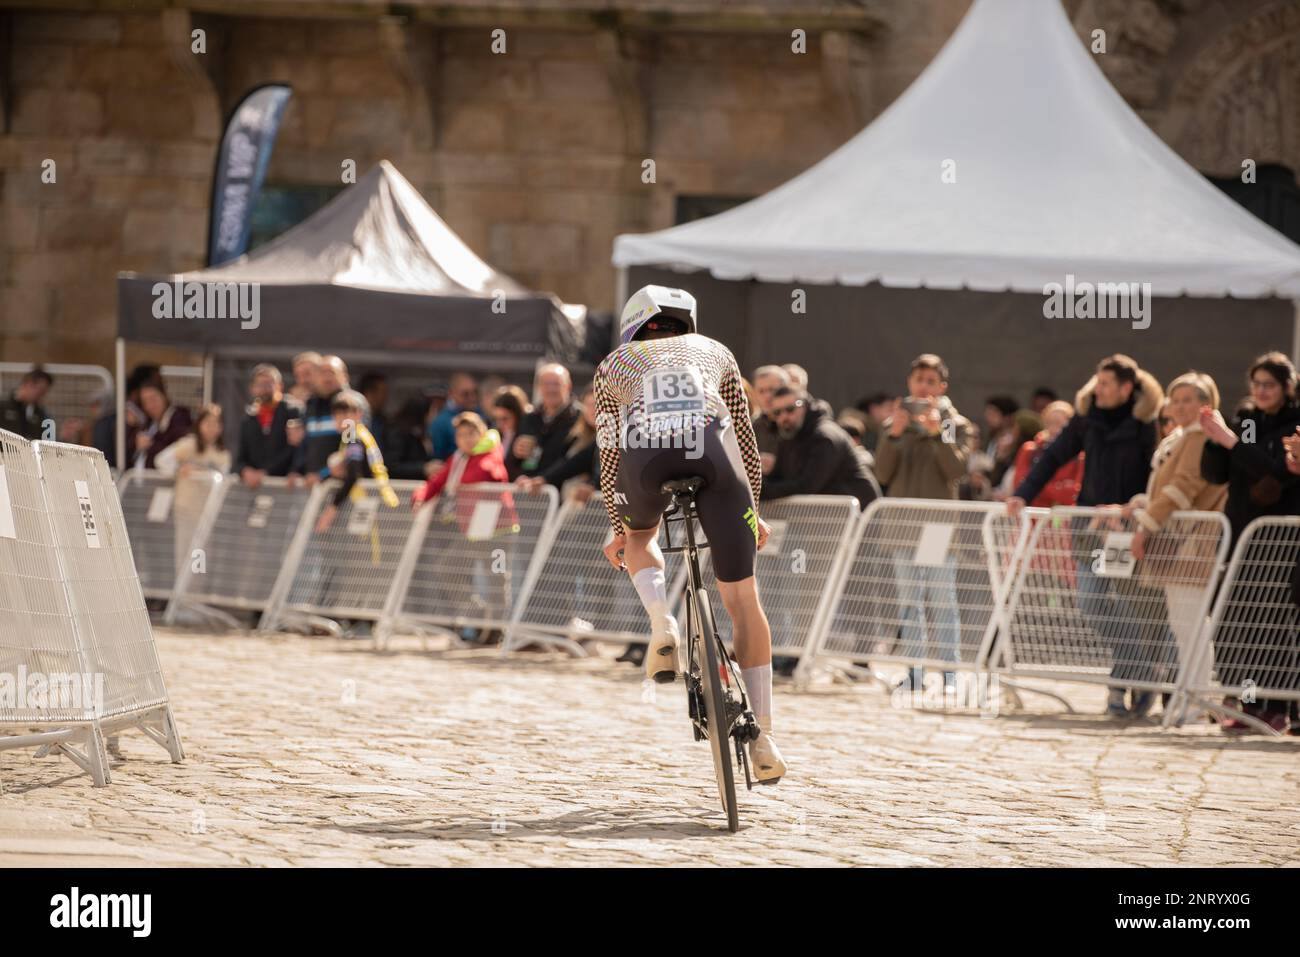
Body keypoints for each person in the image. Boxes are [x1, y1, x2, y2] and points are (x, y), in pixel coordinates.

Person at [593, 284, 786, 784]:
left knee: (641, 538)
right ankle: (764, 735)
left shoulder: (615, 362)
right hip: (714, 455)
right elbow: (745, 442)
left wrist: (620, 528)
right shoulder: (716, 351)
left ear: (634, 324)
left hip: (645, 455)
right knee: (744, 600)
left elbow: (609, 453)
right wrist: (753, 511)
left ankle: (663, 623)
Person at [1008, 354, 1165, 718]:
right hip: (1088, 525)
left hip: (1127, 528)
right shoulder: (1087, 420)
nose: (1099, 389)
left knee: (1127, 607)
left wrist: (1134, 510)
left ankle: (1122, 681)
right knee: (1090, 603)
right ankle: (1141, 667)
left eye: (1107, 383)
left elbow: (1155, 477)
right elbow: (1051, 457)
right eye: (1097, 381)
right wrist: (1023, 494)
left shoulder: (1145, 424)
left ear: (1127, 388)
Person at [1200, 351, 1300, 733]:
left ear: (1286, 387)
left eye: (1269, 384)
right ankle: (1249, 702)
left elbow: (1278, 470)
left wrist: (1229, 440)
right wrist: (1214, 441)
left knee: (1273, 621)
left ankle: (1279, 706)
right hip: (1240, 529)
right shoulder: (1250, 422)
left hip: (1278, 537)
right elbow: (1224, 469)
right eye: (1256, 384)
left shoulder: (1294, 424)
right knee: (1238, 621)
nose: (1260, 391)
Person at [1120, 372, 1226, 724]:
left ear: (1205, 403)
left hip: (1191, 541)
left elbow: (1184, 488)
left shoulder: (1198, 436)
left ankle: (1197, 702)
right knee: (1184, 625)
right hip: (1179, 539)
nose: (1179, 406)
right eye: (1175, 399)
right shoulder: (1182, 436)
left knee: (1191, 623)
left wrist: (1145, 527)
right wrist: (1144, 507)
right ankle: (1192, 698)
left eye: (1188, 400)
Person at [873, 354, 972, 691]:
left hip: (936, 528)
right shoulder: (894, 423)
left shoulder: (955, 423)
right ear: (909, 383)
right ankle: (914, 673)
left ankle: (949, 673)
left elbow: (957, 471)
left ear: (942, 387)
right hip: (903, 527)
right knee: (909, 602)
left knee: (941, 600)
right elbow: (881, 474)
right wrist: (895, 436)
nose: (924, 386)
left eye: (931, 381)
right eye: (919, 380)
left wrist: (936, 434)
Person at [413, 411, 520, 640]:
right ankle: (479, 614)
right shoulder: (459, 458)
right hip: (472, 531)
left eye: (471, 433)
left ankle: (496, 629)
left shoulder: (492, 451)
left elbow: (492, 473)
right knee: (447, 569)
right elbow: (438, 480)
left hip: (499, 532)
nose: (467, 439)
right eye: (461, 434)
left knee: (498, 579)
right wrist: (421, 495)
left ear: (481, 433)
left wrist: (463, 480)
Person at [760, 386, 879, 508]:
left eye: (790, 409)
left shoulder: (825, 436)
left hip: (859, 517)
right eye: (777, 413)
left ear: (804, 406)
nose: (783, 417)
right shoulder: (789, 436)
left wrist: (761, 492)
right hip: (829, 516)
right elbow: (779, 477)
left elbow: (807, 485)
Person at [155, 404, 232, 576]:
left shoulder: (222, 453)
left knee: (200, 557)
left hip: (206, 513)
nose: (212, 428)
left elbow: (222, 477)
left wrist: (201, 473)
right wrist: (178, 470)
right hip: (185, 510)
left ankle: (194, 595)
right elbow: (161, 461)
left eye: (216, 424)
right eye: (208, 423)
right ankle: (181, 598)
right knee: (183, 553)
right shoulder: (188, 445)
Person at [313, 390, 400, 535]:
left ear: (358, 415)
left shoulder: (354, 436)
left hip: (373, 501)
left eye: (346, 414)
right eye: (337, 415)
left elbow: (354, 475)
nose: (342, 420)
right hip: (373, 500)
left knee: (371, 554)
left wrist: (332, 508)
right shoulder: (355, 435)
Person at [517, 387, 597, 493]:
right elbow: (569, 463)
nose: (592, 410)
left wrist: (593, 484)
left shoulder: (613, 437)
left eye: (597, 404)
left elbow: (579, 462)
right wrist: (539, 478)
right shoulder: (577, 437)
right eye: (588, 405)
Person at [234, 364, 302, 486]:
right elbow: (240, 456)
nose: (265, 389)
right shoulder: (249, 418)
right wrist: (245, 471)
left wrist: (267, 471)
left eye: (269, 384)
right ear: (252, 388)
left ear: (280, 386)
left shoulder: (292, 411)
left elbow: (295, 449)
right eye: (260, 385)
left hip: (284, 485)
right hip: (255, 487)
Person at [511, 364, 581, 478]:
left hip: (561, 489)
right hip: (529, 490)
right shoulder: (530, 418)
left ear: (568, 386)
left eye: (556, 384)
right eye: (546, 384)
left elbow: (574, 460)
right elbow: (517, 461)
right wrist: (516, 453)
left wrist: (544, 479)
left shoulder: (580, 418)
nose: (551, 389)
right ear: (539, 387)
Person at [1010, 400, 1082, 507]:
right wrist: (1058, 487)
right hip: (1033, 517)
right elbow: (1020, 485)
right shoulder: (1030, 450)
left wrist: (1039, 487)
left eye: (1059, 424)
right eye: (1049, 423)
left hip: (1062, 518)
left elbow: (1074, 493)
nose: (1053, 429)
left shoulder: (1080, 456)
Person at [291, 354, 349, 486]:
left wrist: (323, 474)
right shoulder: (312, 406)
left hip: (339, 489)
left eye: (332, 373)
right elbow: (304, 444)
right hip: (312, 487)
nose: (327, 378)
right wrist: (296, 470)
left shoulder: (352, 405)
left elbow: (352, 449)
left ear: (344, 376)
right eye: (323, 373)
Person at [128, 381, 193, 469]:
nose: (150, 406)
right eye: (145, 402)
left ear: (164, 396)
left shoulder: (179, 418)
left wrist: (150, 445)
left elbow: (177, 448)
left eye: (153, 399)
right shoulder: (148, 423)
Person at [428, 373, 486, 463]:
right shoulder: (441, 422)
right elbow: (439, 455)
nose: (472, 398)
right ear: (452, 393)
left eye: (474, 392)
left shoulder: (482, 414)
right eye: (465, 394)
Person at [750, 365, 791, 477]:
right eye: (761, 391)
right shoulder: (753, 426)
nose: (767, 396)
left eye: (772, 390)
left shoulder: (798, 422)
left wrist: (778, 465)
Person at [490, 385, 532, 480]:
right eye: (497, 419)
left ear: (517, 415)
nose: (500, 424)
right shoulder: (495, 435)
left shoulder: (527, 436)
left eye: (505, 418)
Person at [1, 367, 53, 441]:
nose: (40, 397)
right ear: (28, 384)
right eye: (40, 392)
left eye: (43, 393)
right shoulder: (3, 407)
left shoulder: (40, 413)